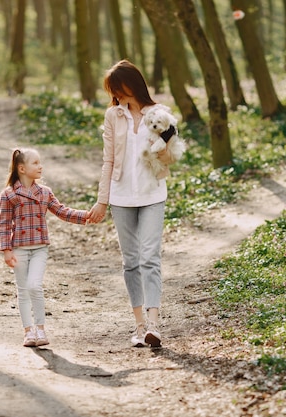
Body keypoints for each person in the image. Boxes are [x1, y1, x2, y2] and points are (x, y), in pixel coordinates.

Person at [87, 59, 180, 348]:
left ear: (132, 84)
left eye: (119, 87)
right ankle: (139, 326)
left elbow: (173, 155)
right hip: (121, 195)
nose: (116, 94)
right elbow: (108, 160)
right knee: (130, 263)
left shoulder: (160, 114)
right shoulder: (113, 116)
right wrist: (102, 201)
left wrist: (164, 149)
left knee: (149, 258)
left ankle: (154, 324)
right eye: (113, 90)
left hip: (152, 193)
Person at [0, 148, 90, 347]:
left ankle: (40, 328)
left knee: (34, 286)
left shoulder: (45, 193)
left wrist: (86, 216)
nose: (41, 166)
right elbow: (4, 224)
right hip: (19, 248)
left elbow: (62, 211)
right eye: (36, 163)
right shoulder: (9, 195)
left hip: (40, 247)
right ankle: (28, 331)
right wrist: (6, 250)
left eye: (40, 163)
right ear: (22, 168)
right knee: (22, 291)